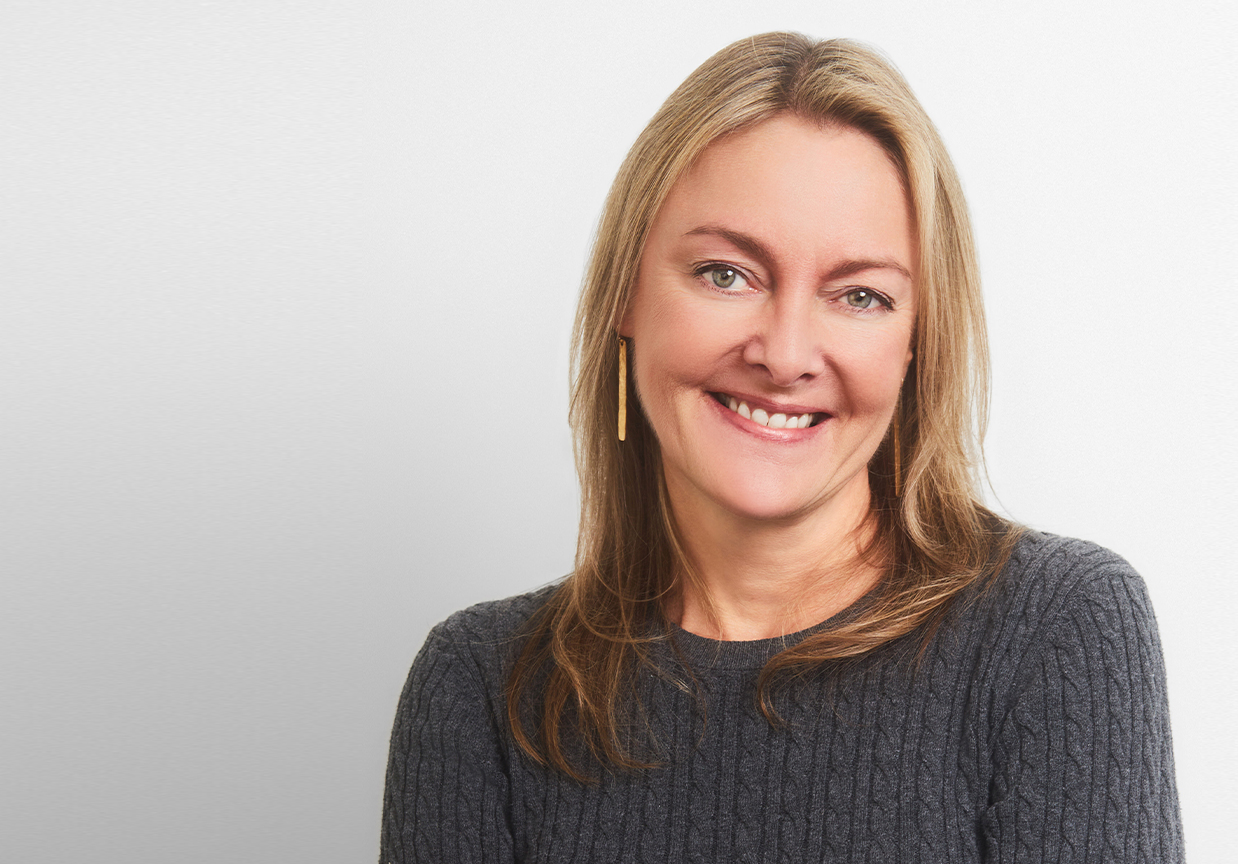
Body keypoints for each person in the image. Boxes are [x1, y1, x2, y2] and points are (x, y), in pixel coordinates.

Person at [381, 32, 1181, 863]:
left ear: (918, 341)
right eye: (726, 274)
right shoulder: (483, 686)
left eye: (861, 295)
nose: (787, 355)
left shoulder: (1054, 629)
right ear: (627, 291)